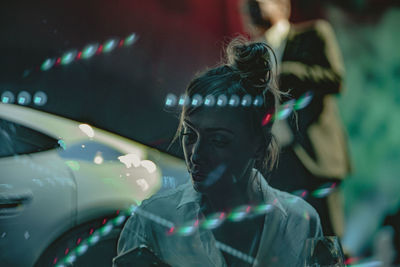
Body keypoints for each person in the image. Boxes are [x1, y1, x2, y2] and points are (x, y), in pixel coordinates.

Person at [114, 39, 322, 267]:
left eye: (218, 140)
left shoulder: (300, 223)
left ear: (258, 146)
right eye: (190, 135)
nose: (196, 154)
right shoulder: (154, 221)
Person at [244, 0, 351, 236]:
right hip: (277, 165)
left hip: (315, 157)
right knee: (287, 242)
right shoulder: (250, 56)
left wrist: (290, 72)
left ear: (283, 6)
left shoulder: (314, 34)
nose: (251, 6)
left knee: (328, 240)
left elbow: (335, 80)